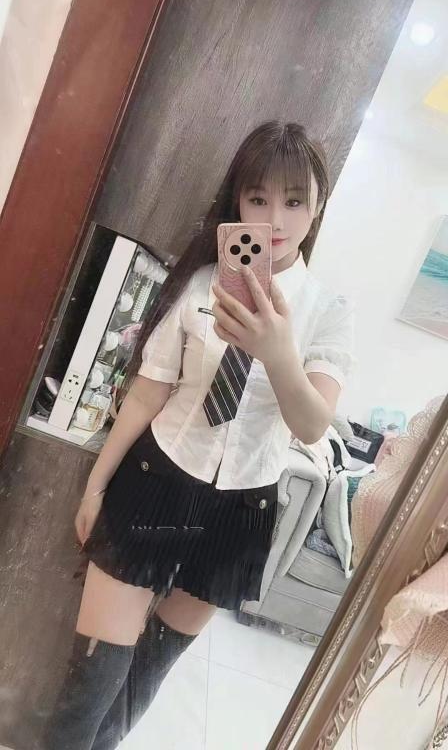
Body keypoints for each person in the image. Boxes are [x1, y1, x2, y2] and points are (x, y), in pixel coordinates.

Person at [41, 121, 356, 749]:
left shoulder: (327, 313)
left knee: (143, 682)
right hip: (156, 482)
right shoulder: (201, 282)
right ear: (238, 199)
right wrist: (96, 486)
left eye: (295, 200)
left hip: (241, 510)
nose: (275, 219)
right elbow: (149, 391)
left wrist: (277, 351)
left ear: (318, 205)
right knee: (94, 681)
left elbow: (310, 424)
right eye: (258, 198)